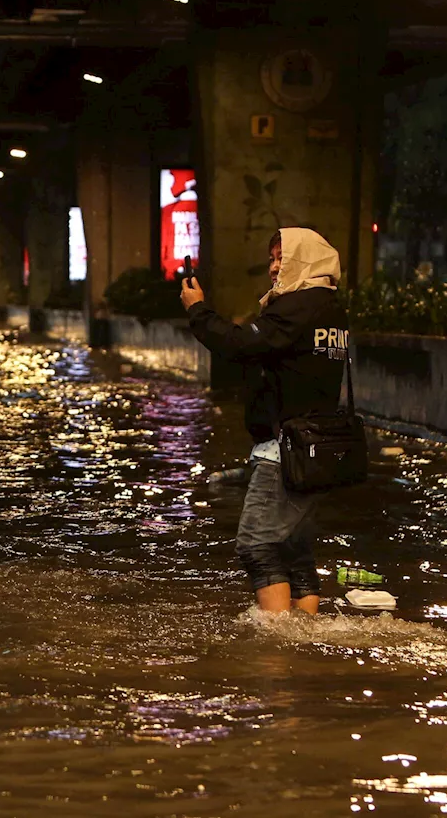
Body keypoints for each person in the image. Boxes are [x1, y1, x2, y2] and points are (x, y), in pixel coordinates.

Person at [180, 227, 349, 614]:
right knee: (294, 550)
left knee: (256, 544)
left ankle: (276, 649)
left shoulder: (298, 307)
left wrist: (197, 309)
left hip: (284, 451)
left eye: (282, 259)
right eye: (272, 259)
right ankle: (303, 648)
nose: (274, 268)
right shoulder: (330, 309)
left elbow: (240, 344)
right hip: (315, 448)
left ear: (304, 261)